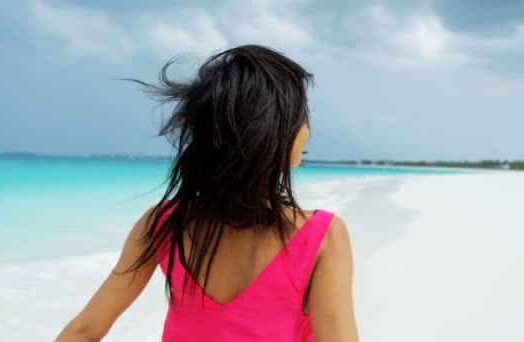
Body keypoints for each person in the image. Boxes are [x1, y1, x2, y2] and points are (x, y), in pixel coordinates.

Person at [57, 45, 358, 341]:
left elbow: (85, 330)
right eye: (301, 115)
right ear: (272, 132)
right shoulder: (321, 237)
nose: (305, 128)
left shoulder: (164, 225)